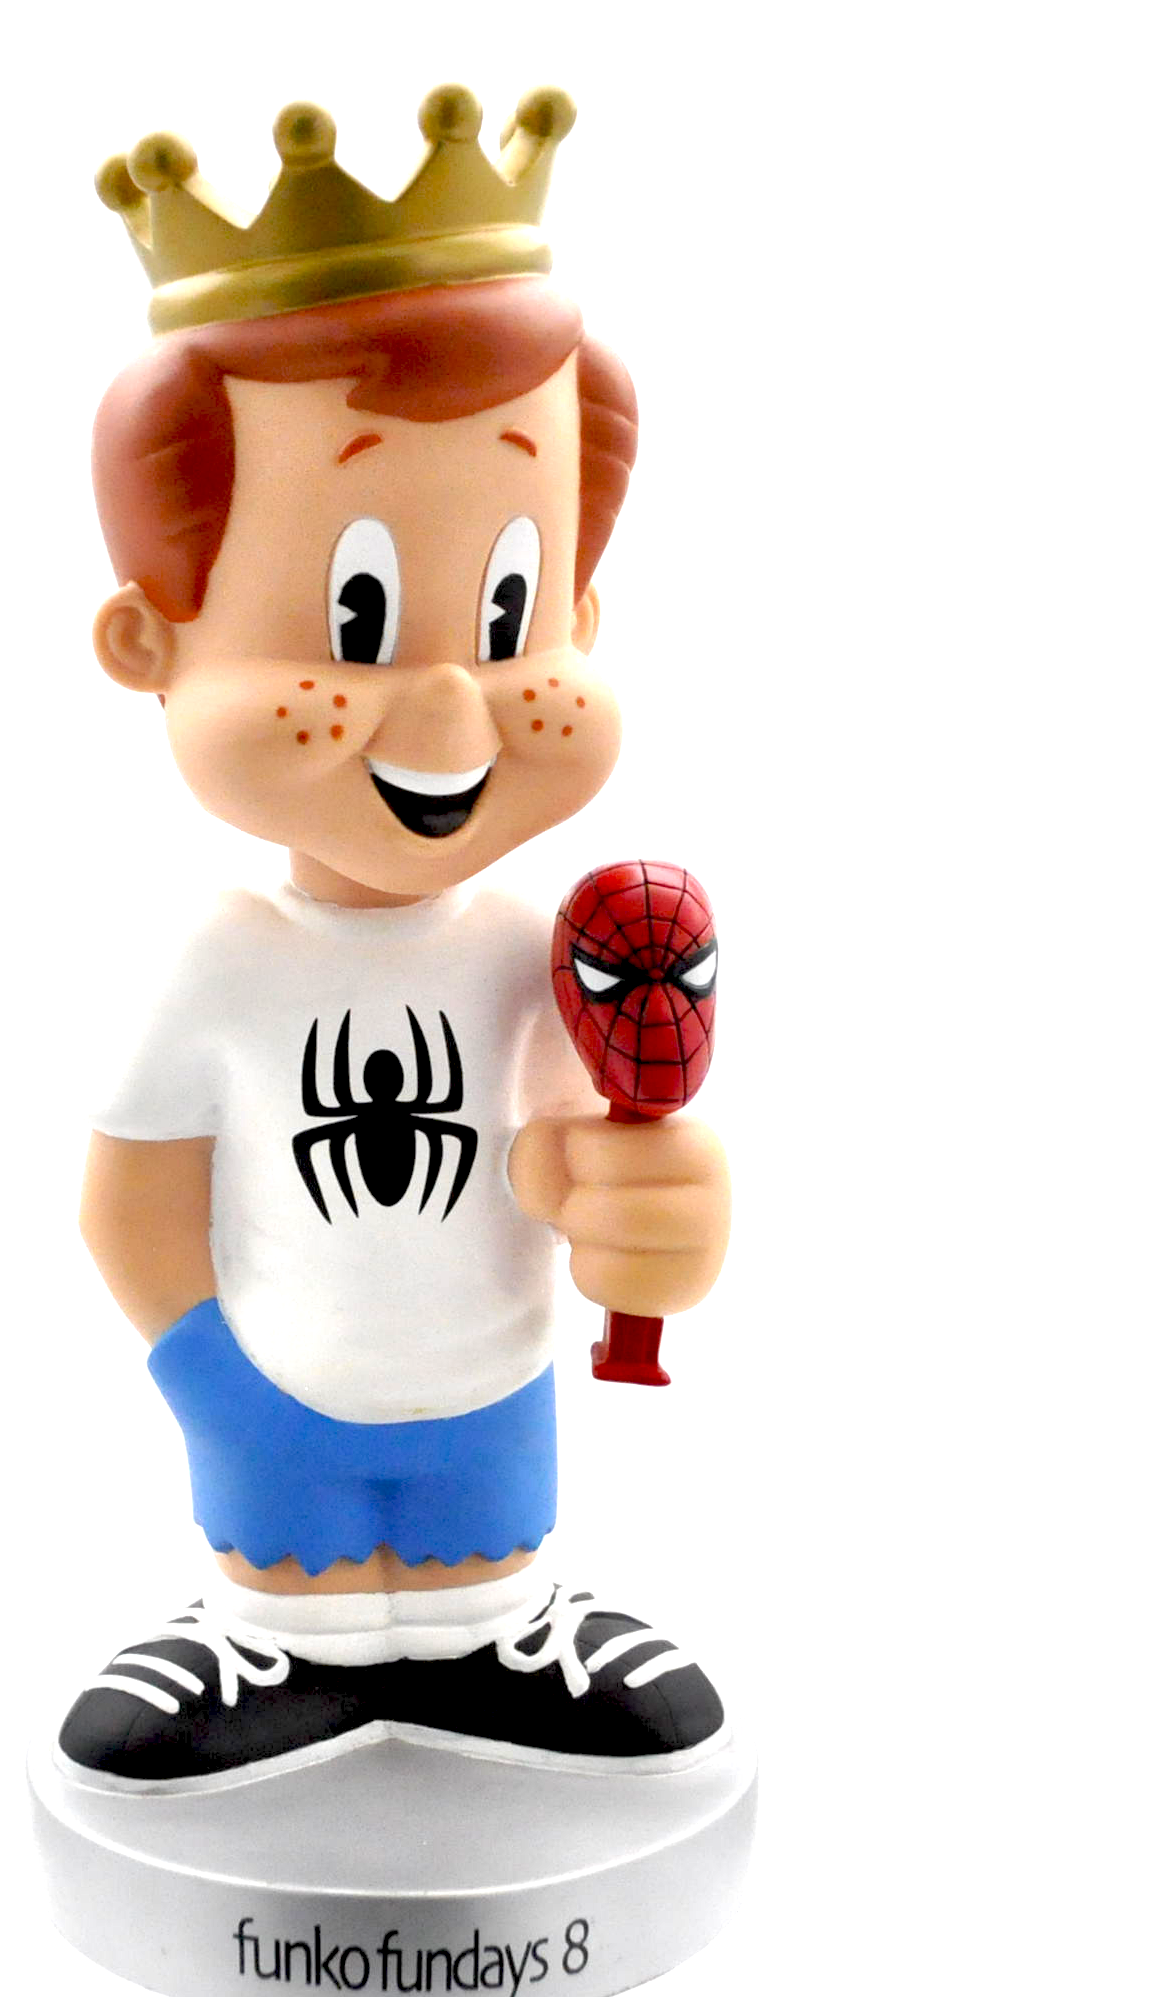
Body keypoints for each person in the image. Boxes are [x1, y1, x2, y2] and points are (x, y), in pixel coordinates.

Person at [58, 92, 732, 1790]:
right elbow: (130, 1199)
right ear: (148, 641)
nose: (446, 711)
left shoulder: (534, 949)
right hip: (268, 1388)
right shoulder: (219, 962)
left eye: (510, 615)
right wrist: (208, 1374)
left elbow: (573, 1148)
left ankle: (491, 1634)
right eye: (351, 622)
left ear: (580, 614)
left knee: (473, 1568)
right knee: (296, 1579)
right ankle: (269, 1644)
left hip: (489, 1383)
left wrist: (653, 1208)